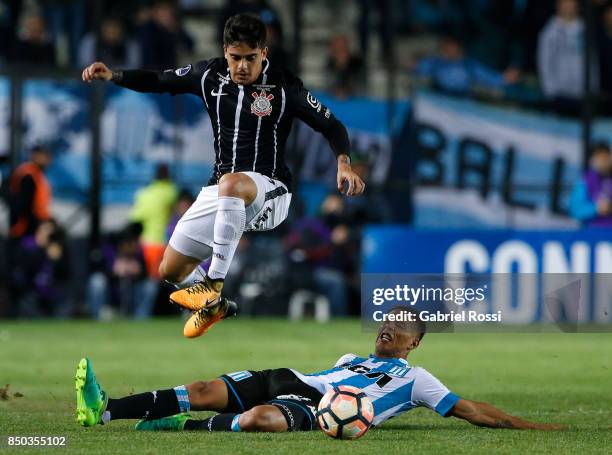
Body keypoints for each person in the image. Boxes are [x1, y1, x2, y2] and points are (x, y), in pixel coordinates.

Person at [81, 13, 365, 338]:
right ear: (225, 51)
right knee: (170, 268)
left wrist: (343, 162)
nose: (241, 66)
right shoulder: (209, 75)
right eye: (235, 58)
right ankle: (213, 306)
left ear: (264, 54)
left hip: (272, 192)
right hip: (223, 191)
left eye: (250, 58)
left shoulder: (285, 87)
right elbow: (160, 80)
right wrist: (114, 75)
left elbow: (332, 125)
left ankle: (213, 286)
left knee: (231, 182)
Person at [75, 307, 564, 432]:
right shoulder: (351, 360)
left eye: (398, 328)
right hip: (295, 379)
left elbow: (473, 411)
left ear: (414, 342)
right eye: (386, 322)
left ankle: (179, 427)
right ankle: (105, 410)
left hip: (326, 409)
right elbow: (324, 374)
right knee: (202, 386)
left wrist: (533, 426)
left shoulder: (418, 380)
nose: (387, 329)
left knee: (259, 420)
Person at [537, 0, 598, 116]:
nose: (568, 6)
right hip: (559, 94)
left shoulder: (585, 30)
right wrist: (550, 90)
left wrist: (593, 88)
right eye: (564, 3)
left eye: (571, 3)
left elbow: (592, 61)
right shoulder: (549, 32)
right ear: (558, 5)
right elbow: (544, 62)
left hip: (583, 94)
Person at [414, 35, 520, 97]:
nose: (449, 50)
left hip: (461, 98)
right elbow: (419, 68)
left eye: (452, 47)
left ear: (459, 48)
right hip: (441, 95)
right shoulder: (436, 62)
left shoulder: (468, 65)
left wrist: (504, 78)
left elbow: (487, 77)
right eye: (446, 47)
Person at [130, 164, 178, 279]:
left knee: (147, 280)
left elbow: (135, 219)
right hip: (163, 243)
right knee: (157, 281)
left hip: (144, 244)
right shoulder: (172, 191)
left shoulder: (144, 193)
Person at [569, 143, 612, 227]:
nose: (603, 160)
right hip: (592, 234)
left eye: (605, 157)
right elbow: (575, 210)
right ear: (593, 159)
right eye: (599, 157)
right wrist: (596, 208)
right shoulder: (586, 180)